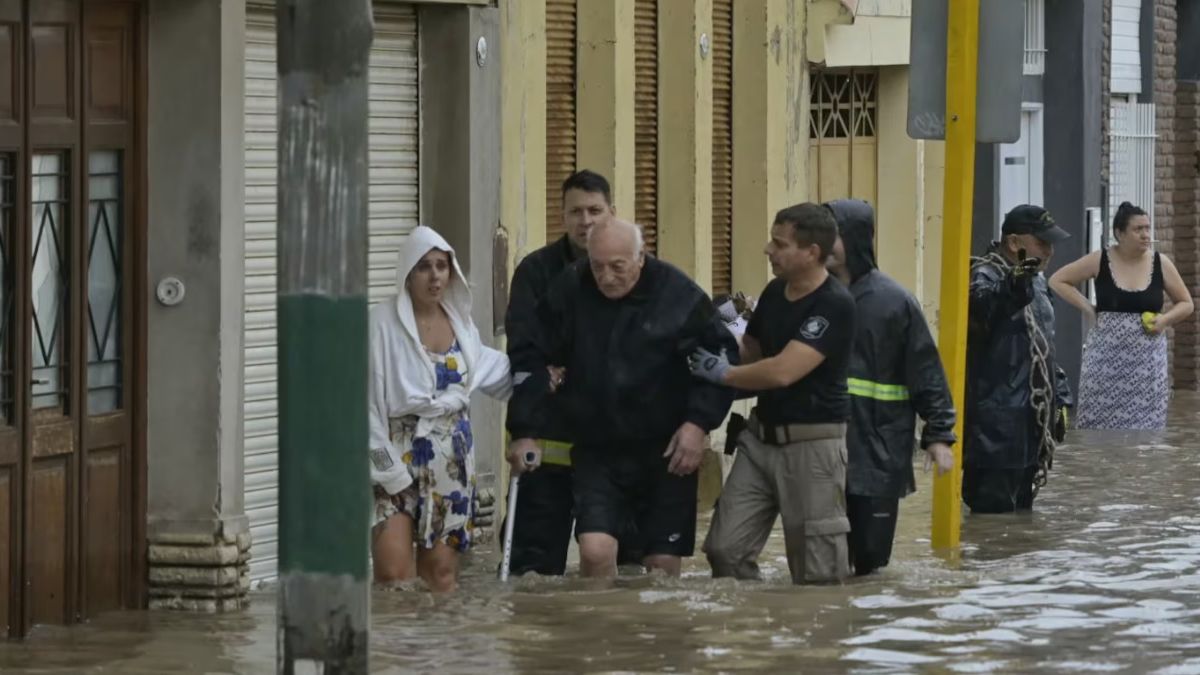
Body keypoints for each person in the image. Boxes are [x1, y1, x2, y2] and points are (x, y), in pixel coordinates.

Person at [507, 219, 738, 578]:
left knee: (660, 568)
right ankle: (600, 632)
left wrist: (698, 424)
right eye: (597, 266)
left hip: (667, 451)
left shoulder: (678, 294)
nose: (606, 277)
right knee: (595, 552)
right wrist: (524, 427)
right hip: (598, 446)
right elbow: (529, 352)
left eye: (618, 266)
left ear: (640, 257)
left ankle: (650, 635)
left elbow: (722, 363)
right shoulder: (571, 286)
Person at [688, 203, 855, 584]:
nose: (768, 250)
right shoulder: (776, 291)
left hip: (813, 449)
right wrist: (716, 339)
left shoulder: (834, 304)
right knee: (724, 551)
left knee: (817, 574)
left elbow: (783, 371)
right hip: (760, 442)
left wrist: (725, 373)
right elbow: (755, 351)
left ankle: (808, 638)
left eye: (779, 243)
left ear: (811, 252)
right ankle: (758, 633)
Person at [503, 169, 641, 575]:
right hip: (549, 439)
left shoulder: (637, 268)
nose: (586, 221)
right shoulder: (536, 272)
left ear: (612, 212)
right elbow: (525, 351)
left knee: (622, 564)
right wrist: (523, 428)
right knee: (532, 570)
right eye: (576, 212)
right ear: (562, 216)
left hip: (618, 445)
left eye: (595, 210)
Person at [368, 225, 513, 592]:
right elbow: (361, 404)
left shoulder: (462, 325)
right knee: (393, 577)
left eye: (442, 266)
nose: (434, 276)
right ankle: (397, 650)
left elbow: (494, 371)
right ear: (407, 272)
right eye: (424, 267)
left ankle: (440, 649)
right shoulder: (380, 325)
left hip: (452, 458)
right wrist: (389, 474)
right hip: (396, 457)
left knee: (441, 579)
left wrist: (546, 379)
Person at [824, 199, 956, 576]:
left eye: (831, 236)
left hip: (878, 453)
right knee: (822, 561)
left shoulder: (894, 302)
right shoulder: (809, 295)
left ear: (854, 239)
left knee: (869, 562)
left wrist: (939, 434)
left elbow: (926, 370)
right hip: (819, 450)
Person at [964, 204, 1073, 514]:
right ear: (1014, 243)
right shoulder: (982, 274)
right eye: (1042, 243)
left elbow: (1043, 344)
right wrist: (1015, 283)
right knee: (992, 520)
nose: (1050, 251)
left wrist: (1061, 398)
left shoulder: (1037, 281)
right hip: (994, 429)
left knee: (1022, 523)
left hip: (1031, 424)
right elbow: (985, 308)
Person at [1048, 202, 1194, 430]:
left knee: (1146, 434)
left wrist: (1164, 320)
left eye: (1148, 228)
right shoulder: (1099, 260)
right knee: (1097, 430)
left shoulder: (1161, 263)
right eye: (1138, 229)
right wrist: (1088, 307)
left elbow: (1186, 304)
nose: (1146, 235)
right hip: (1104, 363)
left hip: (1147, 366)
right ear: (1120, 233)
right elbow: (1057, 280)